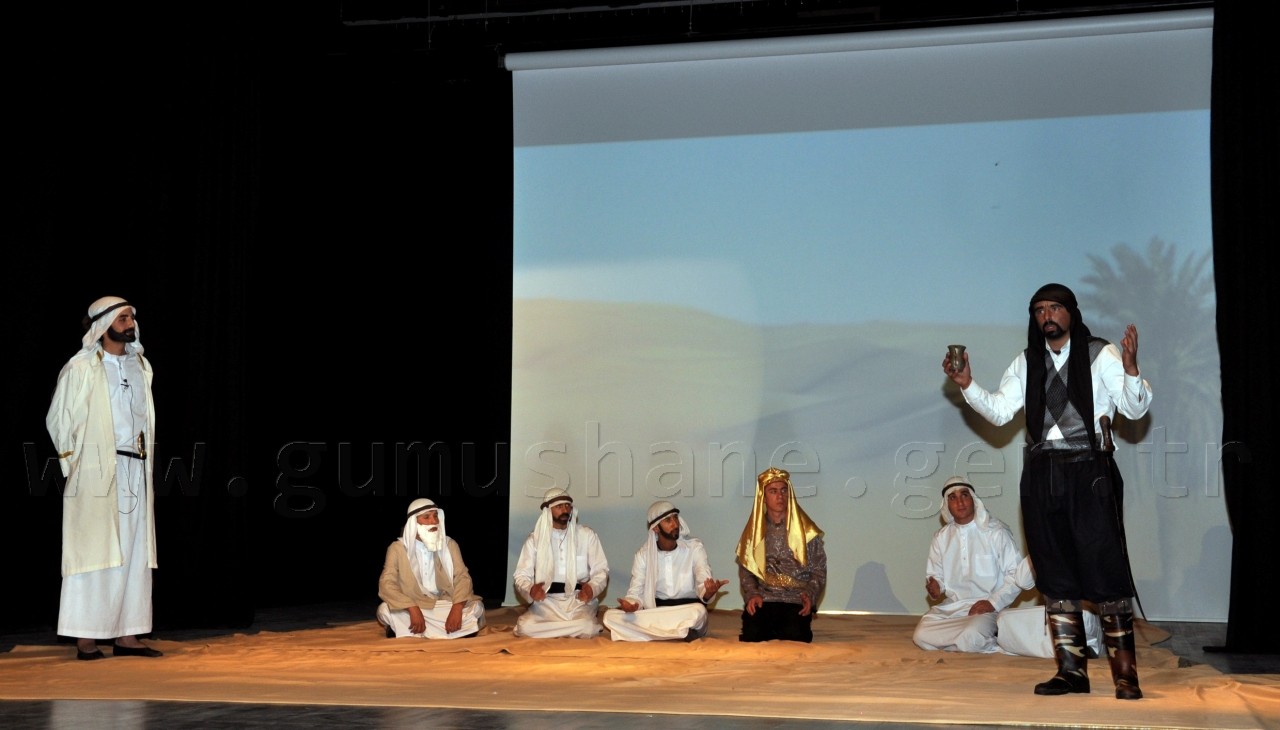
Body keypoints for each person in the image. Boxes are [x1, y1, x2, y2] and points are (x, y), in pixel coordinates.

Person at [943, 282, 1152, 700]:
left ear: (1071, 312)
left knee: (1105, 568)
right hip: (1042, 474)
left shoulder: (1100, 354)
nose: (1047, 316)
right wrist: (968, 384)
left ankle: (1125, 676)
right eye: (1039, 310)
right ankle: (1071, 673)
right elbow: (1000, 412)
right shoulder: (1026, 362)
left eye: (1054, 308)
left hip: (1090, 471)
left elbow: (1134, 408)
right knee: (1054, 573)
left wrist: (1131, 371)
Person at [46, 296, 162, 660]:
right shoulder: (82, 367)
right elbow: (59, 419)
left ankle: (127, 635)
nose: (130, 323)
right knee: (95, 552)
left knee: (133, 551)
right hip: (96, 471)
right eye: (123, 318)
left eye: (131, 318)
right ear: (103, 324)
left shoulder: (139, 365)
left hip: (135, 468)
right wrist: (75, 465)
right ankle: (86, 638)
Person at [912, 476, 1024, 654]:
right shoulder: (941, 538)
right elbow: (936, 576)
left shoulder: (996, 532)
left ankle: (976, 639)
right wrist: (936, 587)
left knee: (972, 634)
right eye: (953, 498)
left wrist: (992, 603)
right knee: (921, 635)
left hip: (989, 609)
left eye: (964, 495)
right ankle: (967, 643)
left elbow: (1017, 576)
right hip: (953, 607)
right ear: (947, 504)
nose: (960, 502)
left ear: (973, 499)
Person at [602, 501, 729, 642]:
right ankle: (678, 632)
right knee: (609, 616)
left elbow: (703, 579)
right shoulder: (643, 555)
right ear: (656, 528)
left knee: (699, 612)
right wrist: (632, 604)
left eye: (675, 518)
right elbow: (636, 591)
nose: (675, 524)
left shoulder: (694, 548)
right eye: (668, 520)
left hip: (687, 610)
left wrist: (708, 592)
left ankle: (655, 633)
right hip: (657, 612)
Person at [735, 467, 826, 643]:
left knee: (795, 636)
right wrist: (753, 594)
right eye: (773, 491)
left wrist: (809, 594)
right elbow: (746, 570)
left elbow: (819, 569)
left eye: (784, 490)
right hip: (765, 597)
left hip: (795, 598)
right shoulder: (755, 532)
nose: (780, 496)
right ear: (763, 496)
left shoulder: (806, 531)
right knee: (752, 635)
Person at [377, 498, 485, 639]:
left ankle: (407, 630)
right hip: (414, 603)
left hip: (444, 603)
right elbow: (386, 583)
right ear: (414, 523)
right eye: (426, 517)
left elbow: (463, 577)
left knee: (476, 608)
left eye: (435, 516)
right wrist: (412, 607)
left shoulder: (450, 545)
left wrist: (457, 608)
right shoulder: (397, 548)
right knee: (384, 610)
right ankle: (455, 630)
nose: (433, 521)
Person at [512, 488, 609, 638]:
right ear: (547, 511)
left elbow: (601, 570)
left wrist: (592, 588)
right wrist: (530, 590)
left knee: (588, 627)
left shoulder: (586, 535)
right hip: (547, 601)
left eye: (567, 506)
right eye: (559, 506)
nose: (565, 510)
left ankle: (553, 630)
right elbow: (521, 575)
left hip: (578, 600)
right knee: (524, 627)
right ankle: (570, 629)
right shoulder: (534, 539)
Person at [996, 556, 1103, 660]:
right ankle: (1074, 648)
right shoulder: (1048, 548)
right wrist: (1037, 550)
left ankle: (1078, 648)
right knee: (1005, 618)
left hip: (1085, 612)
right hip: (1054, 612)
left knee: (1078, 617)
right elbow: (1022, 581)